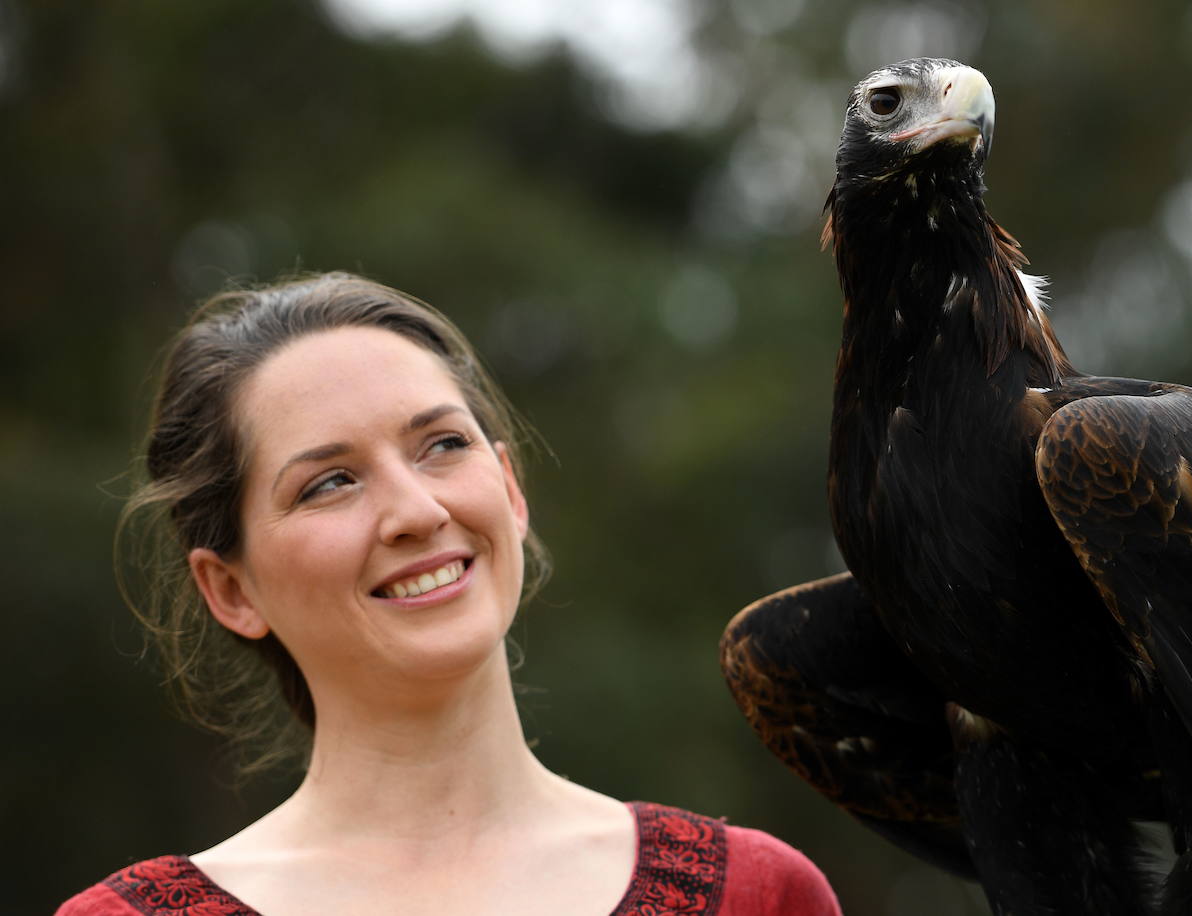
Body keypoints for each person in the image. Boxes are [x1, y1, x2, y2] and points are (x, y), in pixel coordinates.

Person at [57, 273, 843, 916]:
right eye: (330, 483)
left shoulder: (760, 896)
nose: (418, 511)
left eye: (442, 445)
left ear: (509, 486)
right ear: (231, 590)